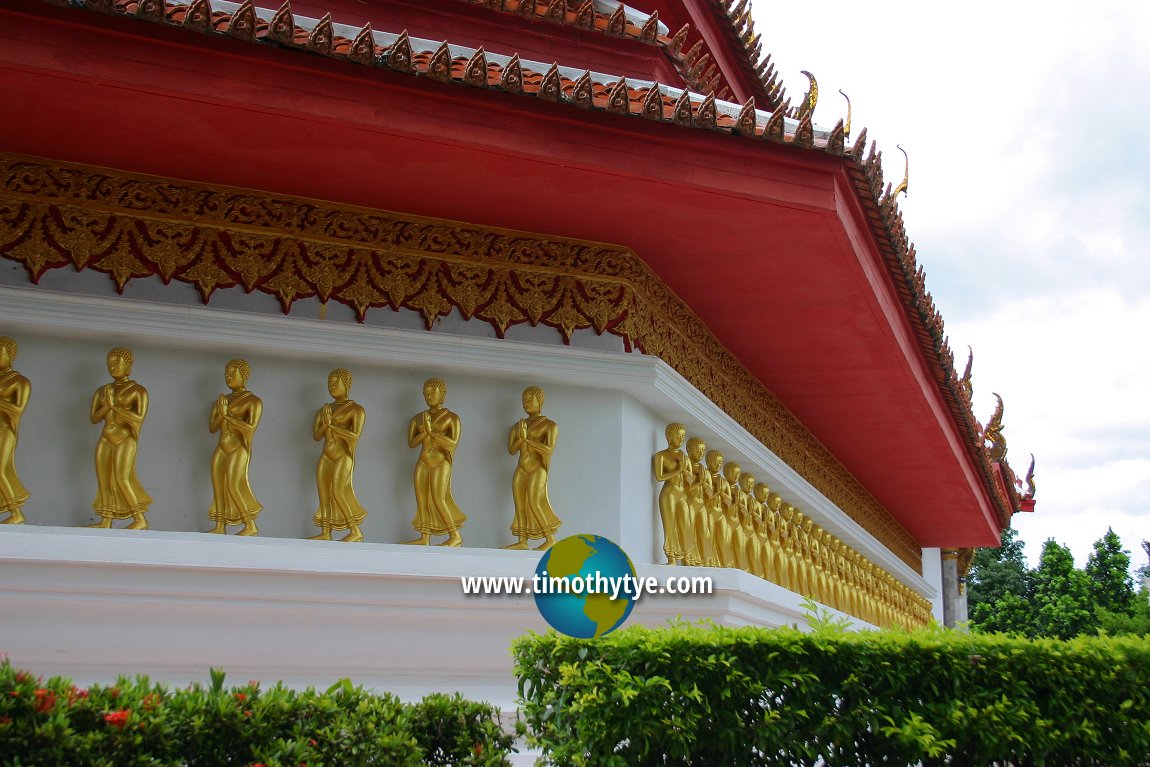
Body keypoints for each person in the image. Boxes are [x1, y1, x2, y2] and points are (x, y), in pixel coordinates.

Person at [89, 347, 152, 529]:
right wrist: (106, 407)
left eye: (117, 363)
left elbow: (138, 417)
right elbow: (94, 418)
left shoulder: (138, 391)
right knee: (104, 479)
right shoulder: (102, 391)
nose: (113, 367)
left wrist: (114, 407)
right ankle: (106, 520)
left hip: (125, 439)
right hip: (105, 438)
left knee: (122, 477)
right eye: (110, 364)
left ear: (129, 366)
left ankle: (139, 519)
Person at [402, 377, 465, 546]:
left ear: (443, 394)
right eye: (426, 393)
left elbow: (453, 443)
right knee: (422, 499)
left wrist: (433, 434)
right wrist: (425, 433)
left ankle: (455, 536)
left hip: (440, 462)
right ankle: (424, 537)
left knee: (438, 498)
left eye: (433, 393)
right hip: (423, 460)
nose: (429, 396)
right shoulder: (418, 418)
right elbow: (412, 443)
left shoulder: (452, 417)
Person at [207, 359, 263, 536]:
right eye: (227, 374)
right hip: (221, 447)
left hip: (238, 447)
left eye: (233, 374)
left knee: (233, 485)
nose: (229, 377)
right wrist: (221, 414)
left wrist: (227, 415)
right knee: (218, 486)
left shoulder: (253, 401)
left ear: (244, 376)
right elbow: (213, 427)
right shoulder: (223, 400)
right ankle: (220, 525)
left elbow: (250, 427)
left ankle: (250, 525)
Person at [310, 368, 367, 542]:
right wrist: (326, 424)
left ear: (347, 384)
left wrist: (332, 425)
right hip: (326, 454)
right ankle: (326, 531)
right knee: (324, 493)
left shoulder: (356, 410)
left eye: (336, 383)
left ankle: (355, 531)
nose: (332, 387)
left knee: (338, 491)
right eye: (330, 383)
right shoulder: (325, 409)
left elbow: (354, 436)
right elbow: (317, 435)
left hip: (343, 455)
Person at [503, 386, 561, 551]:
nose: (526, 403)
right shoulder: (519, 425)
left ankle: (550, 539)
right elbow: (512, 450)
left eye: (530, 400)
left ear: (540, 401)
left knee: (535, 503)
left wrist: (527, 439)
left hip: (537, 468)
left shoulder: (550, 425)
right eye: (524, 400)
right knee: (519, 505)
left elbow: (548, 449)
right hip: (521, 468)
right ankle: (522, 540)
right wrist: (521, 439)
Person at [0, 337, 30, 524]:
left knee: (0, 470)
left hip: (5, 429)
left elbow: (18, 408)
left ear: (10, 355)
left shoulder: (20, 381)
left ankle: (16, 513)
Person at [653, 422, 691, 565]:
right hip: (669, 494)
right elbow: (659, 477)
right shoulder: (661, 456)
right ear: (669, 436)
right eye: (678, 436)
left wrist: (686, 472)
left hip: (682, 496)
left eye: (682, 436)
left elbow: (690, 480)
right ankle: (671, 558)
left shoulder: (684, 457)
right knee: (669, 526)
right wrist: (678, 470)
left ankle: (687, 558)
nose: (680, 439)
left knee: (685, 526)